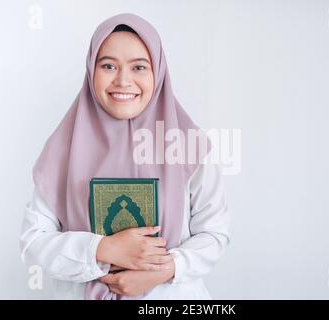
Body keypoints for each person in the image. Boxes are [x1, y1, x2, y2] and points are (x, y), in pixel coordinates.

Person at [19, 13, 230, 300]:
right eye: (108, 65)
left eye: (139, 67)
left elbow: (214, 234)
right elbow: (33, 244)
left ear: (158, 73)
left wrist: (165, 269)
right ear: (90, 70)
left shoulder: (188, 146)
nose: (123, 80)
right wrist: (102, 250)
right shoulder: (62, 150)